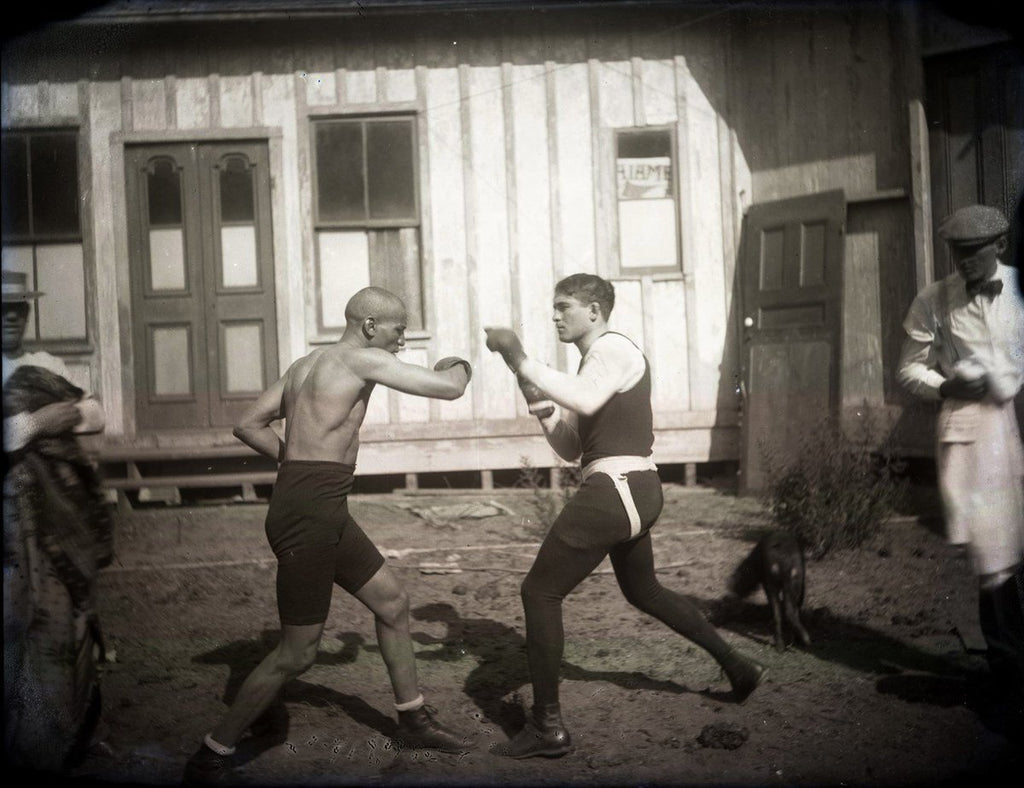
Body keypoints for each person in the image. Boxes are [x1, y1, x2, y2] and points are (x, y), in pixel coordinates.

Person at [184, 286, 475, 783]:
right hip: (311, 509)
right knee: (298, 652)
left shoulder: (304, 366)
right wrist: (460, 361)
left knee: (392, 602)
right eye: (397, 329)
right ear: (368, 326)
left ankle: (413, 718)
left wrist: (296, 465)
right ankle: (213, 752)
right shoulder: (363, 360)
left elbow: (247, 424)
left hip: (312, 501)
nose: (401, 340)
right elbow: (449, 388)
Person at [483, 273, 767, 759]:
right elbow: (573, 447)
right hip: (629, 487)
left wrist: (519, 357)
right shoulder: (595, 367)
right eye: (553, 307)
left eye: (564, 306)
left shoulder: (612, 349)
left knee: (539, 591)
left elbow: (586, 399)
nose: (555, 315)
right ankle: (739, 667)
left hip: (616, 489)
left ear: (594, 311)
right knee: (644, 590)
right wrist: (540, 404)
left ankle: (547, 727)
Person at [897, 204, 1024, 724]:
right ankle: (1009, 675)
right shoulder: (934, 300)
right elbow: (908, 370)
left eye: (974, 253)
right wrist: (945, 384)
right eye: (958, 254)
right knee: (996, 558)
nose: (965, 263)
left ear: (999, 246)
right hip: (979, 430)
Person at [3, 269, 112, 775]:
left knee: (64, 616)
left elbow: (93, 414)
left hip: (55, 512)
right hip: (8, 519)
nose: (11, 316)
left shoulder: (42, 363)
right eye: (3, 306)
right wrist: (39, 421)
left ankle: (60, 734)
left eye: (19, 307)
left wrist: (46, 422)